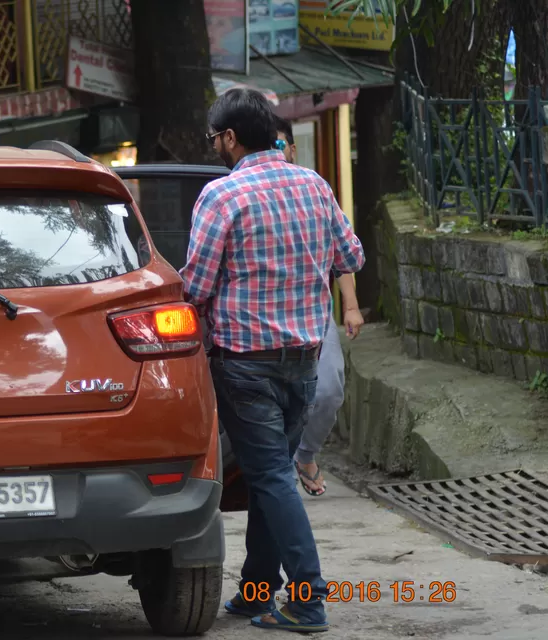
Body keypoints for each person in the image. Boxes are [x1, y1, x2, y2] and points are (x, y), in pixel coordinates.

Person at [182, 89, 364, 632]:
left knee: (271, 478)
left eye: (213, 139)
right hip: (302, 361)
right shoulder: (314, 185)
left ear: (230, 137)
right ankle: (257, 591)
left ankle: (308, 600)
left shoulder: (222, 196)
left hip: (246, 366)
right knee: (271, 477)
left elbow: (196, 286)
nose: (214, 147)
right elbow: (350, 255)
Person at [273, 115, 365, 497]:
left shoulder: (314, 190)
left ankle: (305, 454)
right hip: (264, 318)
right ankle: (278, 473)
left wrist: (351, 305)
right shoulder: (241, 194)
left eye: (279, 145)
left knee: (328, 388)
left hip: (314, 311)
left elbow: (342, 253)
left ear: (292, 149)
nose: (274, 153)